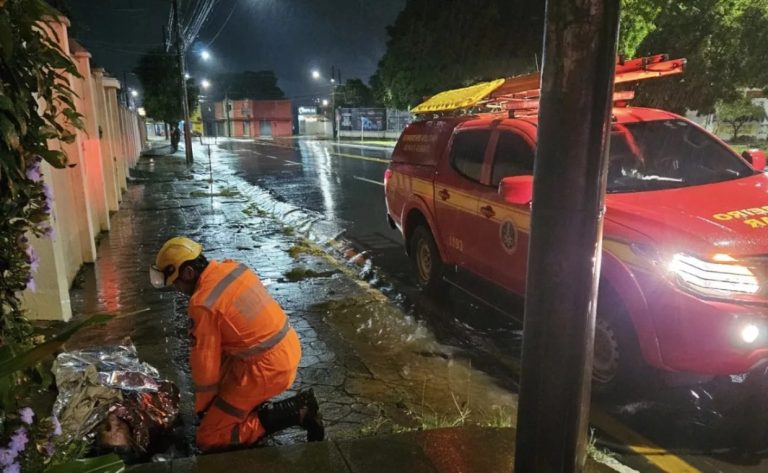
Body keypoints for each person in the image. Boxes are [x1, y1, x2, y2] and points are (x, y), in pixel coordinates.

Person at [150, 237, 324, 452]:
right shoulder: (233, 267)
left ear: (188, 273)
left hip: (265, 369)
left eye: (176, 282)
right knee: (223, 387)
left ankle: (296, 411)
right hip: (286, 348)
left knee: (209, 437)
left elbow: (205, 369)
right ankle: (248, 408)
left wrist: (203, 410)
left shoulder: (202, 304)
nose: (177, 289)